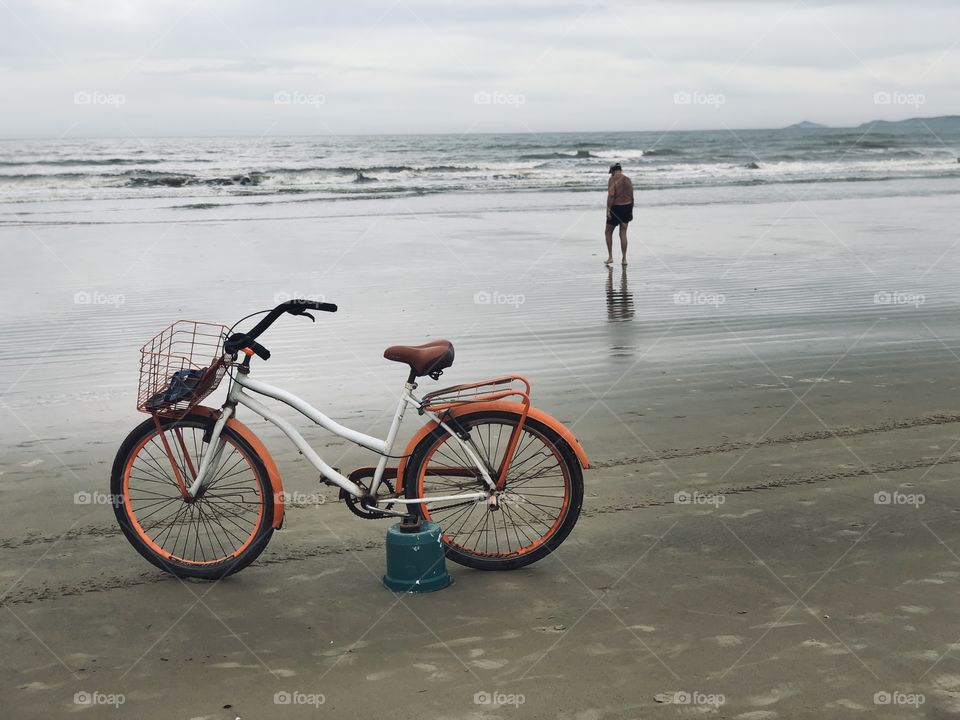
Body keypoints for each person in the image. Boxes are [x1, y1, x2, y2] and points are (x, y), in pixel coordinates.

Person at [604, 162, 633, 266]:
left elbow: (611, 196)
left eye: (610, 172)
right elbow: (632, 196)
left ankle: (610, 257)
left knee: (608, 232)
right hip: (628, 206)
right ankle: (624, 259)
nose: (611, 174)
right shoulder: (628, 179)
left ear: (612, 170)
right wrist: (630, 211)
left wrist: (608, 210)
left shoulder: (612, 179)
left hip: (616, 207)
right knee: (623, 233)